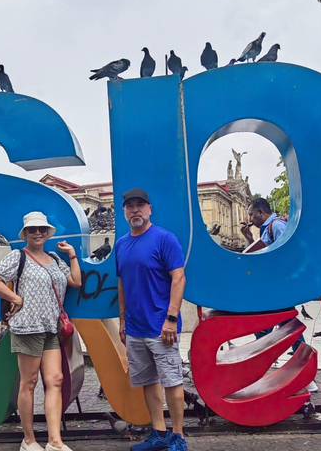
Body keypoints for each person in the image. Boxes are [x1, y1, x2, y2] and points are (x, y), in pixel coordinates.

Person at [0, 211, 81, 451]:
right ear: (25, 233)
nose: (37, 233)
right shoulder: (18, 257)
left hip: (51, 327)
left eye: (41, 229)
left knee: (55, 380)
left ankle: (54, 441)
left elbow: (75, 282)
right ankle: (28, 440)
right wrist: (16, 298)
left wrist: (71, 255)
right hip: (28, 327)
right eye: (32, 229)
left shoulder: (55, 258)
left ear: (48, 232)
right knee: (29, 382)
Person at [116, 188, 188, 451]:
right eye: (129, 206)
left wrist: (171, 319)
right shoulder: (122, 244)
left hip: (161, 327)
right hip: (135, 328)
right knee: (148, 381)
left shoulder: (164, 239)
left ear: (149, 209)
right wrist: (123, 321)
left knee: (172, 380)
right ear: (124, 212)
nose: (135, 210)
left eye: (140, 205)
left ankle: (178, 437)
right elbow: (122, 284)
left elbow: (178, 279)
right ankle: (158, 432)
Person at [241, 198, 314, 390]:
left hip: (280, 288)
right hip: (274, 289)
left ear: (261, 212)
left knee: (269, 326)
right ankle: (304, 372)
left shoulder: (277, 226)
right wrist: (249, 238)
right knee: (287, 327)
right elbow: (262, 252)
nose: (250, 218)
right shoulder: (267, 229)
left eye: (251, 214)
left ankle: (259, 369)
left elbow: (288, 254)